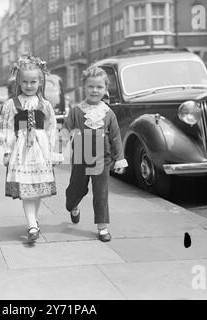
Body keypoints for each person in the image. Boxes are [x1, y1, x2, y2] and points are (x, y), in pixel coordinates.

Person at [0, 55, 63, 243]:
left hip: (40, 151)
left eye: (33, 81)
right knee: (27, 189)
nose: (29, 85)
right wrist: (7, 151)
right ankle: (32, 225)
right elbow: (6, 128)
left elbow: (51, 127)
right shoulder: (12, 105)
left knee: (37, 189)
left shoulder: (45, 105)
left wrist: (51, 151)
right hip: (22, 151)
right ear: (18, 81)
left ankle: (34, 220)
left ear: (40, 82)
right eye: (24, 82)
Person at [63, 66, 128, 242]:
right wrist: (57, 150)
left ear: (105, 89)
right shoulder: (77, 111)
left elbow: (115, 138)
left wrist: (119, 159)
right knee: (76, 189)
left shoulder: (108, 113)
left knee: (101, 192)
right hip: (81, 157)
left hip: (103, 159)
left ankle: (102, 226)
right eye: (91, 86)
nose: (95, 90)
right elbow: (65, 130)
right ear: (84, 88)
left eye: (99, 87)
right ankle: (73, 206)